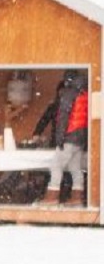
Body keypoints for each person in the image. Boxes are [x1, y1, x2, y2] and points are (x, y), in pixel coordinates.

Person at [32, 71, 90, 205]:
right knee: (75, 168)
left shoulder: (68, 94)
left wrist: (59, 139)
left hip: (69, 137)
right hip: (80, 139)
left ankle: (51, 198)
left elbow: (62, 119)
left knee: (56, 166)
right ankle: (77, 198)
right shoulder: (84, 93)